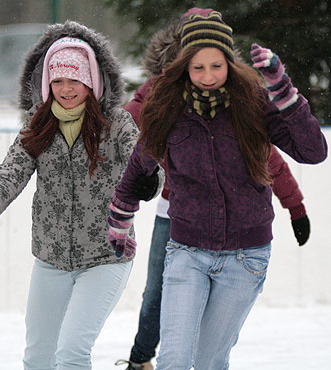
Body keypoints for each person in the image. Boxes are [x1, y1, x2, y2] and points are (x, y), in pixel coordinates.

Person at [109, 11, 327, 370]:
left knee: (210, 361)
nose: (208, 77)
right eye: (198, 68)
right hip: (187, 251)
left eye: (216, 65)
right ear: (184, 66)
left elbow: (312, 152)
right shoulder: (167, 103)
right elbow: (139, 162)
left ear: (230, 62)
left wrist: (283, 91)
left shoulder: (254, 102)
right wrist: (120, 216)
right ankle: (139, 358)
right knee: (175, 360)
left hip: (246, 256)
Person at [0, 21, 163, 370]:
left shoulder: (115, 123)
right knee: (38, 358)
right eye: (57, 80)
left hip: (107, 256)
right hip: (50, 258)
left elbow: (144, 159)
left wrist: (151, 181)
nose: (66, 88)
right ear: (47, 83)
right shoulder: (37, 123)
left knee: (71, 353)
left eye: (75, 79)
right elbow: (12, 168)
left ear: (91, 81)